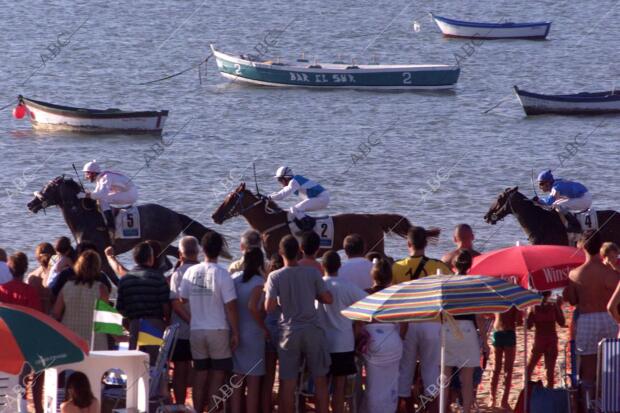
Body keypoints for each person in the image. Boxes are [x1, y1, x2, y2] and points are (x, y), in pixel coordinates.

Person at [265, 235, 333, 413]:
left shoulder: (274, 276)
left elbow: (269, 307)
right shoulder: (312, 273)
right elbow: (327, 299)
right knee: (320, 379)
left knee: (287, 382)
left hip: (289, 332)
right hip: (311, 329)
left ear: (281, 253)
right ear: (299, 251)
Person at [179, 232, 240, 413]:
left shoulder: (191, 271)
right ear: (220, 251)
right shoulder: (223, 274)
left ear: (201, 249)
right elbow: (231, 307)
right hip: (218, 329)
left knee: (200, 374)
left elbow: (182, 299)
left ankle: (198, 410)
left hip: (196, 328)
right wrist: (236, 332)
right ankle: (213, 410)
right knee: (217, 375)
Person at [393, 227, 450, 413]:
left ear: (408, 244)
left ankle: (404, 409)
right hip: (431, 322)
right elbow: (450, 295)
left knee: (405, 371)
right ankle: (432, 410)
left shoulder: (397, 267)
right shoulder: (439, 266)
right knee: (431, 372)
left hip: (407, 323)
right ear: (426, 244)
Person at [563, 230, 619, 411]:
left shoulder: (575, 274)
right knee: (610, 362)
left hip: (587, 318)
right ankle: (608, 402)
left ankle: (588, 404)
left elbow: (571, 300)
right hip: (607, 317)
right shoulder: (609, 273)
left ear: (581, 246)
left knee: (587, 366)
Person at [317, 250, 367, 413]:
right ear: (339, 266)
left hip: (322, 343)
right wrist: (357, 322)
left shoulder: (317, 286)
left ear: (322, 266)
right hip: (343, 343)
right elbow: (368, 304)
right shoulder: (347, 286)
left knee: (321, 386)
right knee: (339, 387)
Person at [443, 250, 486, 413]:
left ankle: (444, 409)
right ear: (470, 265)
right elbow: (479, 317)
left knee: (444, 378)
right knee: (466, 380)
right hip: (467, 330)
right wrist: (485, 342)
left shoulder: (446, 283)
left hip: (449, 328)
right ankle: (466, 410)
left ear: (454, 265)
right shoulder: (474, 284)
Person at [0, 252, 44, 413]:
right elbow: (37, 317)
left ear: (9, 269)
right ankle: (23, 408)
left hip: (5, 341)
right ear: (25, 269)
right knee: (23, 379)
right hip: (25, 341)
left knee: (8, 378)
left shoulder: (2, 290)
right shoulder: (30, 291)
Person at [116, 242, 170, 364]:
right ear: (151, 258)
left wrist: (129, 325)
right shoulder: (158, 278)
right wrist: (167, 322)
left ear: (135, 259)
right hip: (155, 324)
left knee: (134, 363)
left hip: (134, 324)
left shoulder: (125, 279)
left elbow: (120, 308)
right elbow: (165, 305)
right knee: (153, 363)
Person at [361, 258, 403, 413]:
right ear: (390, 278)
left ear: (373, 276)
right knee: (391, 383)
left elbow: (358, 321)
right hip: (393, 339)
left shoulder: (365, 294)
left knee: (373, 384)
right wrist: (400, 338)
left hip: (374, 339)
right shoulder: (396, 296)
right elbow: (404, 323)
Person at [231, 248, 267, 413]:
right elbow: (253, 306)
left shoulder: (235, 279)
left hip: (237, 330)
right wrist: (263, 326)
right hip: (254, 333)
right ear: (260, 263)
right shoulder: (259, 282)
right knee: (253, 382)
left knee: (237, 380)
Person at [52, 251, 110, 350]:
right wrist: (120, 336)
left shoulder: (67, 286)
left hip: (69, 338)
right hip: (94, 341)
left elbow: (56, 313)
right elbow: (106, 320)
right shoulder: (101, 289)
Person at [167, 236, 199, 406]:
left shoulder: (178, 274)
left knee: (179, 369)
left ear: (180, 254)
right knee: (198, 369)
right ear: (198, 252)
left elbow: (176, 305)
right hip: (201, 327)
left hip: (181, 329)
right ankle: (197, 405)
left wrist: (191, 320)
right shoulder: (204, 271)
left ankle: (179, 404)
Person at [82, 160, 138, 231]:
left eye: (87, 174)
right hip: (126, 191)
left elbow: (101, 195)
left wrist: (86, 195)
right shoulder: (101, 178)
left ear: (93, 173)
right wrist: (88, 194)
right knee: (100, 198)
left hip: (130, 193)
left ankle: (110, 225)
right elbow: (96, 193)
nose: (86, 177)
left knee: (102, 199)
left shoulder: (105, 178)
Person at [268, 166, 330, 231]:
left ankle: (307, 228)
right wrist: (269, 196)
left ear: (285, 178)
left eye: (279, 180)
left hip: (321, 198)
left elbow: (282, 195)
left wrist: (269, 197)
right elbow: (280, 192)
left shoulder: (294, 182)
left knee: (295, 209)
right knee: (291, 210)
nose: (279, 182)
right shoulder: (294, 181)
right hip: (320, 197)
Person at [526, 291, 566, 388]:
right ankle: (549, 392)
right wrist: (559, 306)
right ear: (549, 294)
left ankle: (527, 389)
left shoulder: (534, 306)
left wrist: (528, 312)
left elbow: (528, 325)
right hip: (551, 338)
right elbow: (562, 322)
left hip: (539, 338)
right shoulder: (553, 306)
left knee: (530, 367)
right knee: (550, 370)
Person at [50, 242, 114, 298]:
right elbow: (108, 293)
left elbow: (52, 292)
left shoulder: (66, 274)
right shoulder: (101, 278)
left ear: (78, 257)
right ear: (97, 259)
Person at [262, 255, 283, 413]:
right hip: (284, 329)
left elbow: (266, 308)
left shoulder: (269, 281)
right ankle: (283, 405)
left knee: (268, 375)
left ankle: (266, 407)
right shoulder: (289, 280)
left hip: (269, 328)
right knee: (285, 374)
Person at [490, 307, 521, 409]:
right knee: (508, 369)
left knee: (496, 368)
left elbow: (487, 314)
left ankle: (492, 399)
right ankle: (504, 401)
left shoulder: (497, 300)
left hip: (497, 332)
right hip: (509, 333)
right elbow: (519, 321)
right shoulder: (513, 302)